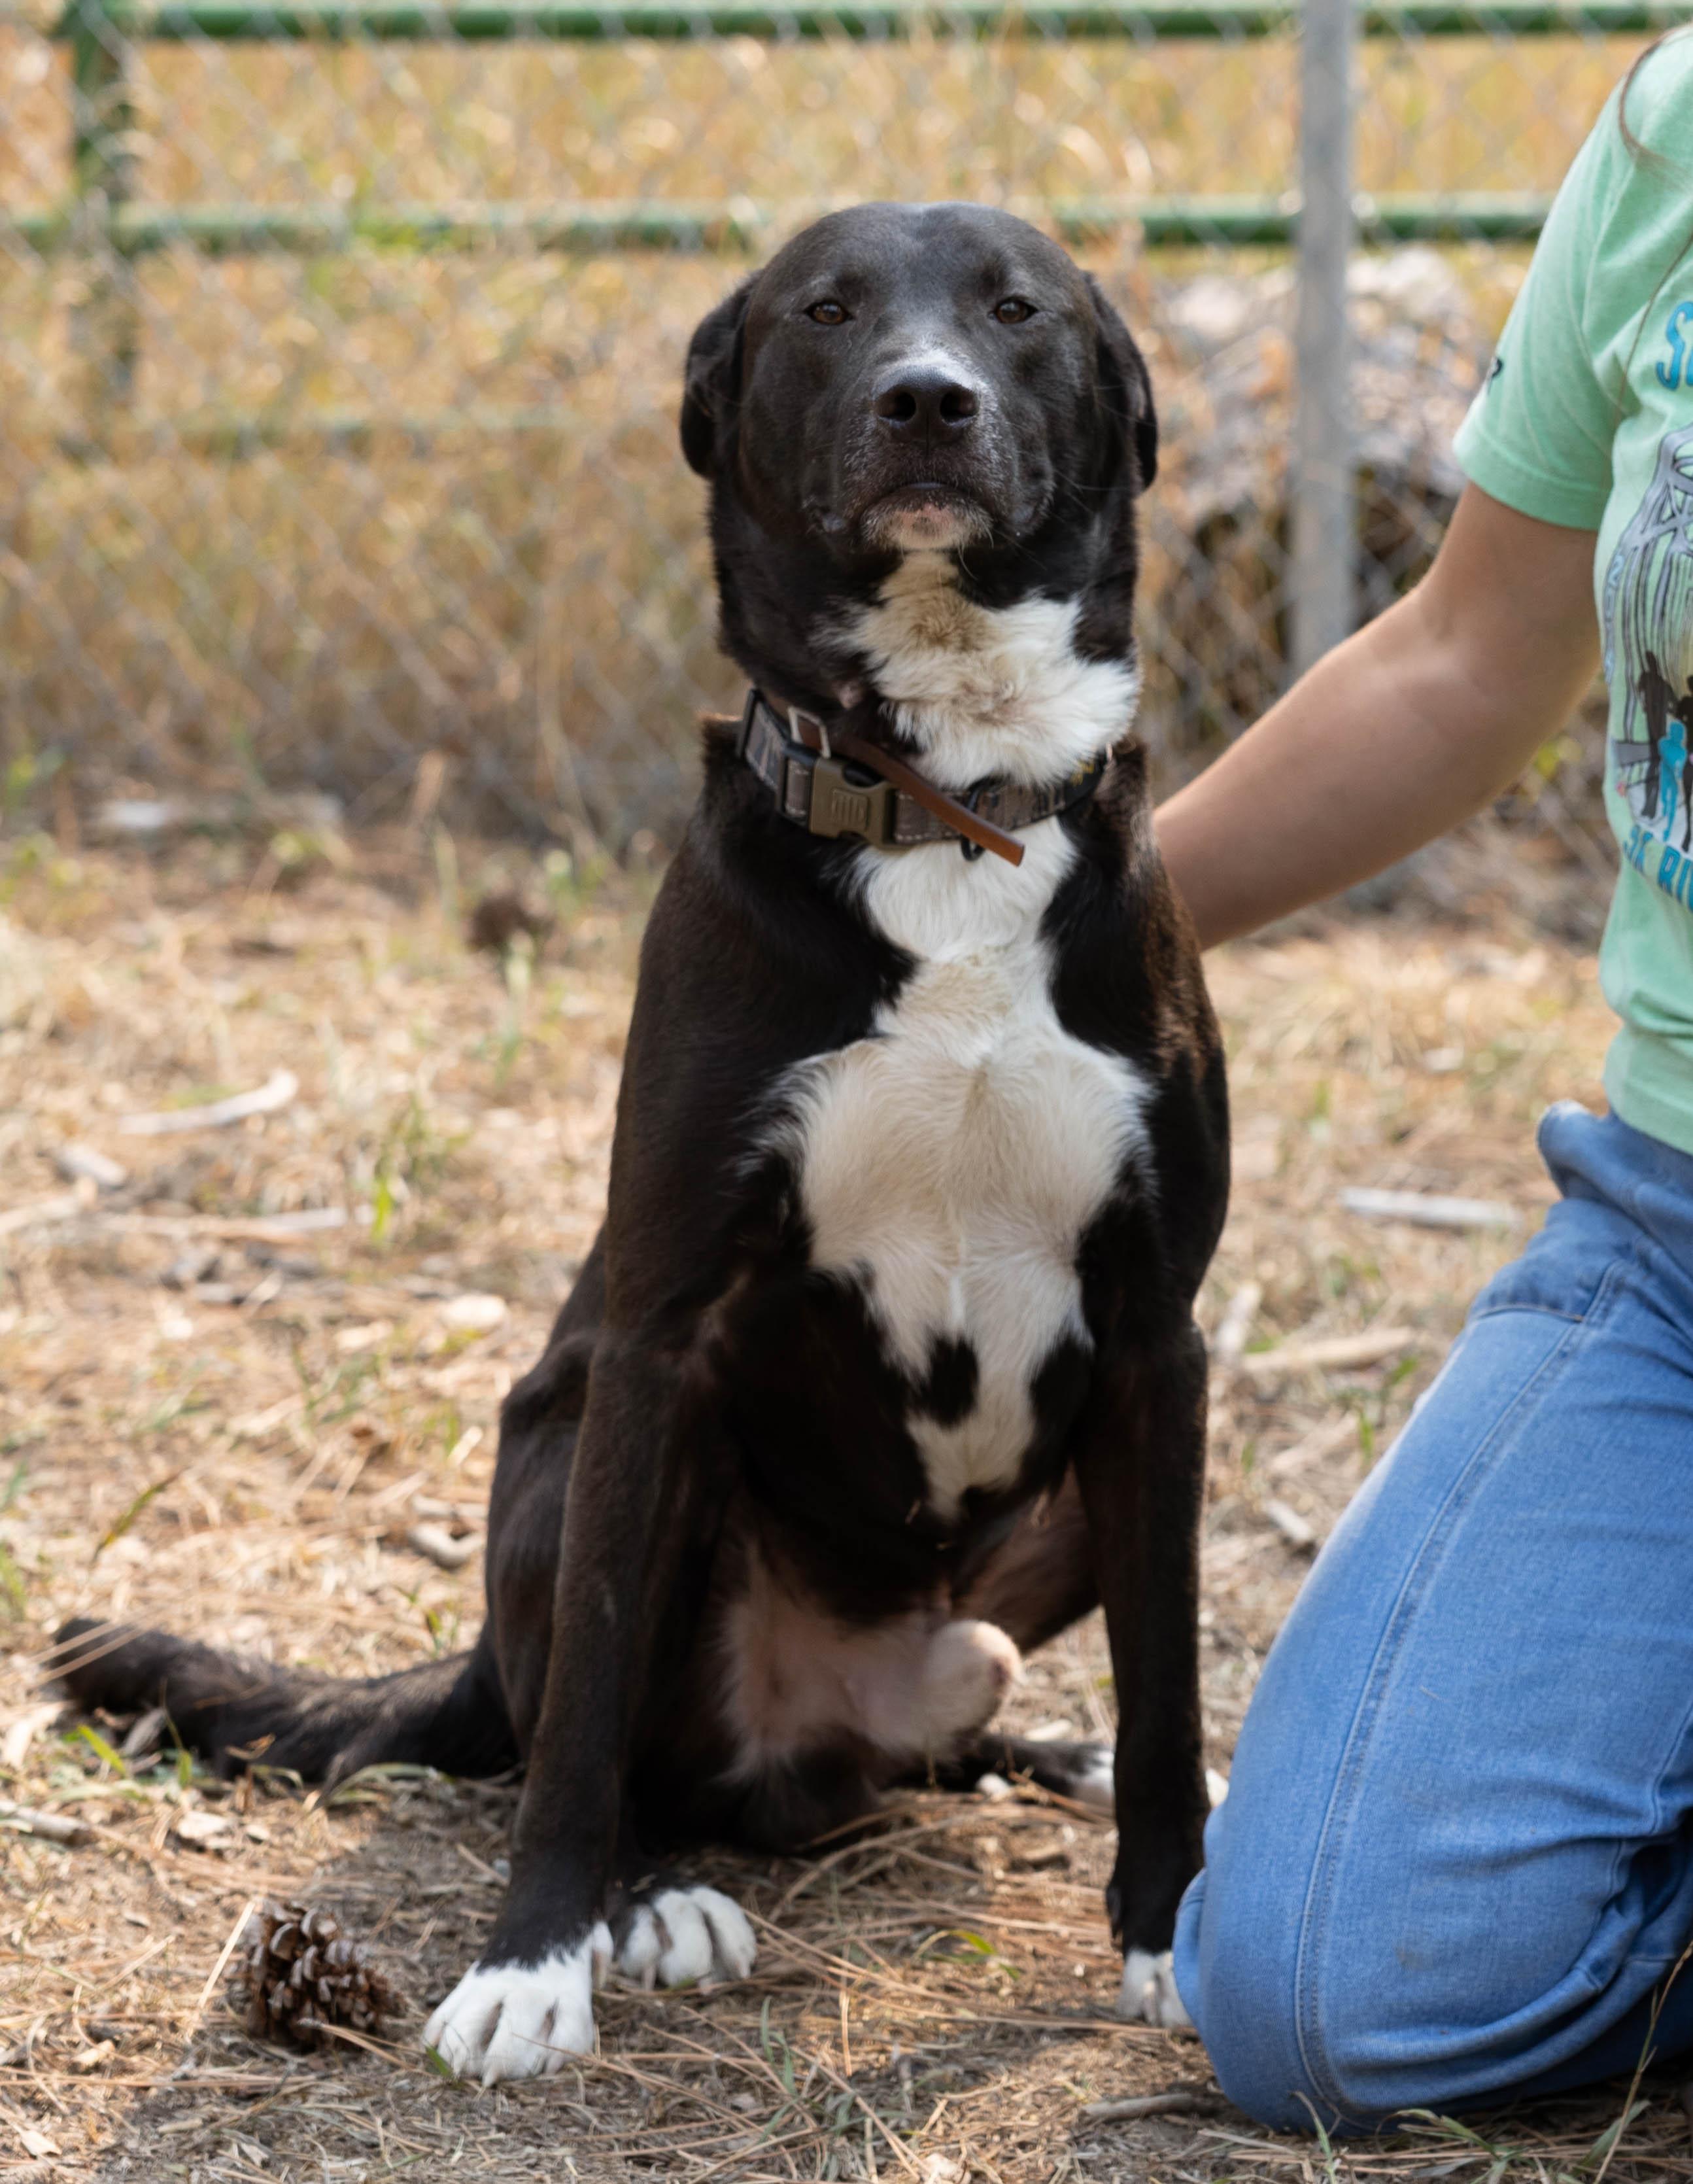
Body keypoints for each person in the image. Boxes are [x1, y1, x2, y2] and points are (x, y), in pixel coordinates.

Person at [1154, 30, 1693, 2134]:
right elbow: (1466, 658)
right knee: (1320, 1998)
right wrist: (1034, 945)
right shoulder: (1672, 130)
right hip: (1673, 1237)